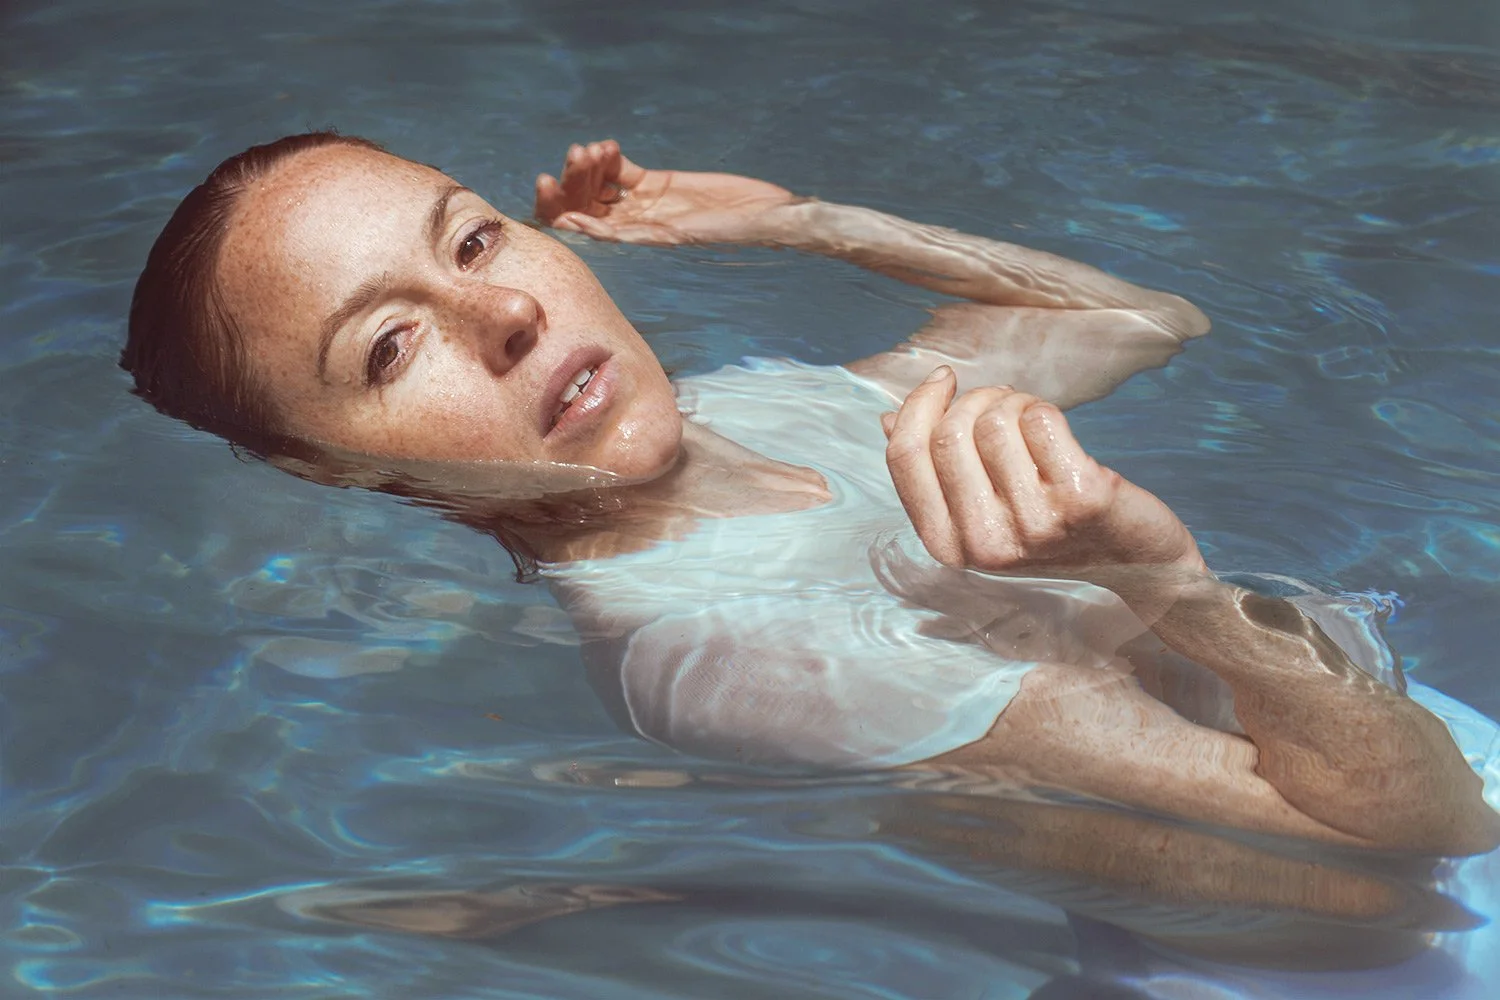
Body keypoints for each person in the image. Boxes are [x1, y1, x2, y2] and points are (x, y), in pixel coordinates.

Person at [123, 132, 1499, 966]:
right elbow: (1403, 856)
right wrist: (1164, 583)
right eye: (390, 344)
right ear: (330, 467)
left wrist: (809, 225)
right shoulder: (741, 650)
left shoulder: (742, 414)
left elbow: (1141, 320)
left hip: (1375, 756)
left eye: (476, 237)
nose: (504, 313)